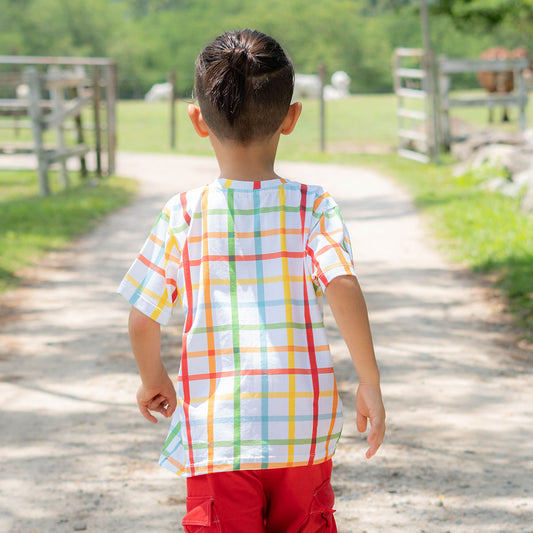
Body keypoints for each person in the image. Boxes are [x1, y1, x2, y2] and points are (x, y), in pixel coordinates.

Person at [118, 29, 385, 532]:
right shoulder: (314, 206)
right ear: (291, 117)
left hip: (219, 435)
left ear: (198, 120)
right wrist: (369, 382)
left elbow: (142, 316)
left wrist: (153, 379)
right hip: (301, 430)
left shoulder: (183, 214)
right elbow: (343, 286)